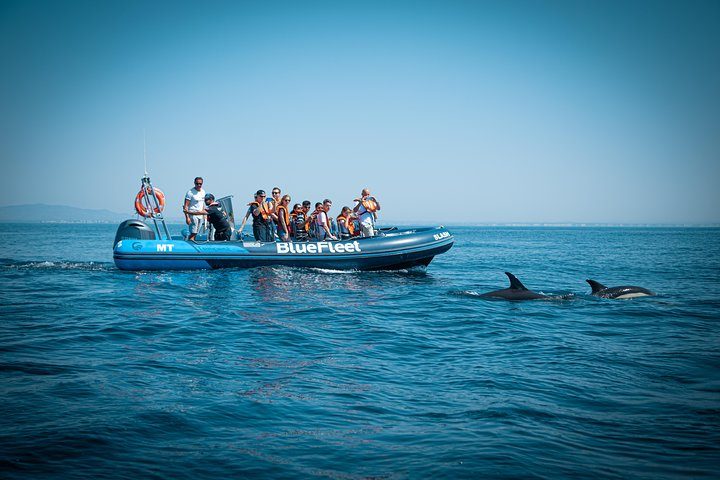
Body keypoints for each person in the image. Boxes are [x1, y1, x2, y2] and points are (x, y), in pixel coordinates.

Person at [183, 177, 206, 241]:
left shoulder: (203, 191)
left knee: (196, 232)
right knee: (193, 232)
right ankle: (190, 242)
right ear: (194, 183)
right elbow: (185, 206)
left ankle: (192, 241)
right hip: (192, 214)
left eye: (200, 184)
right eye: (197, 183)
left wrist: (205, 216)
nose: (199, 185)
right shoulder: (190, 192)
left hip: (200, 215)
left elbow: (203, 204)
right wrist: (187, 217)